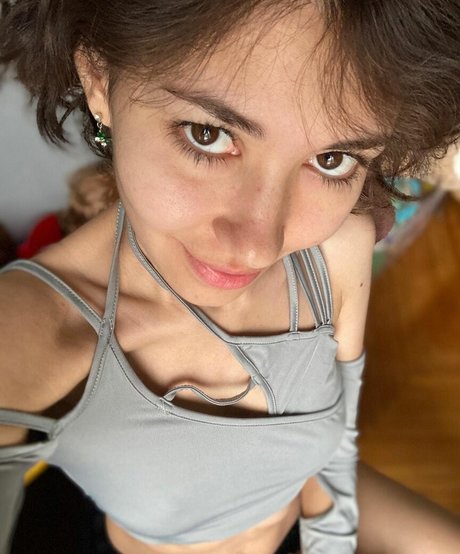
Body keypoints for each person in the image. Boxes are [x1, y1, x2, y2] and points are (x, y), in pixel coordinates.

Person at [0, 1, 459, 553]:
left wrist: (329, 542)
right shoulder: (30, 335)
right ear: (99, 80)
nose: (259, 246)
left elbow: (335, 448)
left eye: (333, 159)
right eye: (208, 134)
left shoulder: (339, 246)